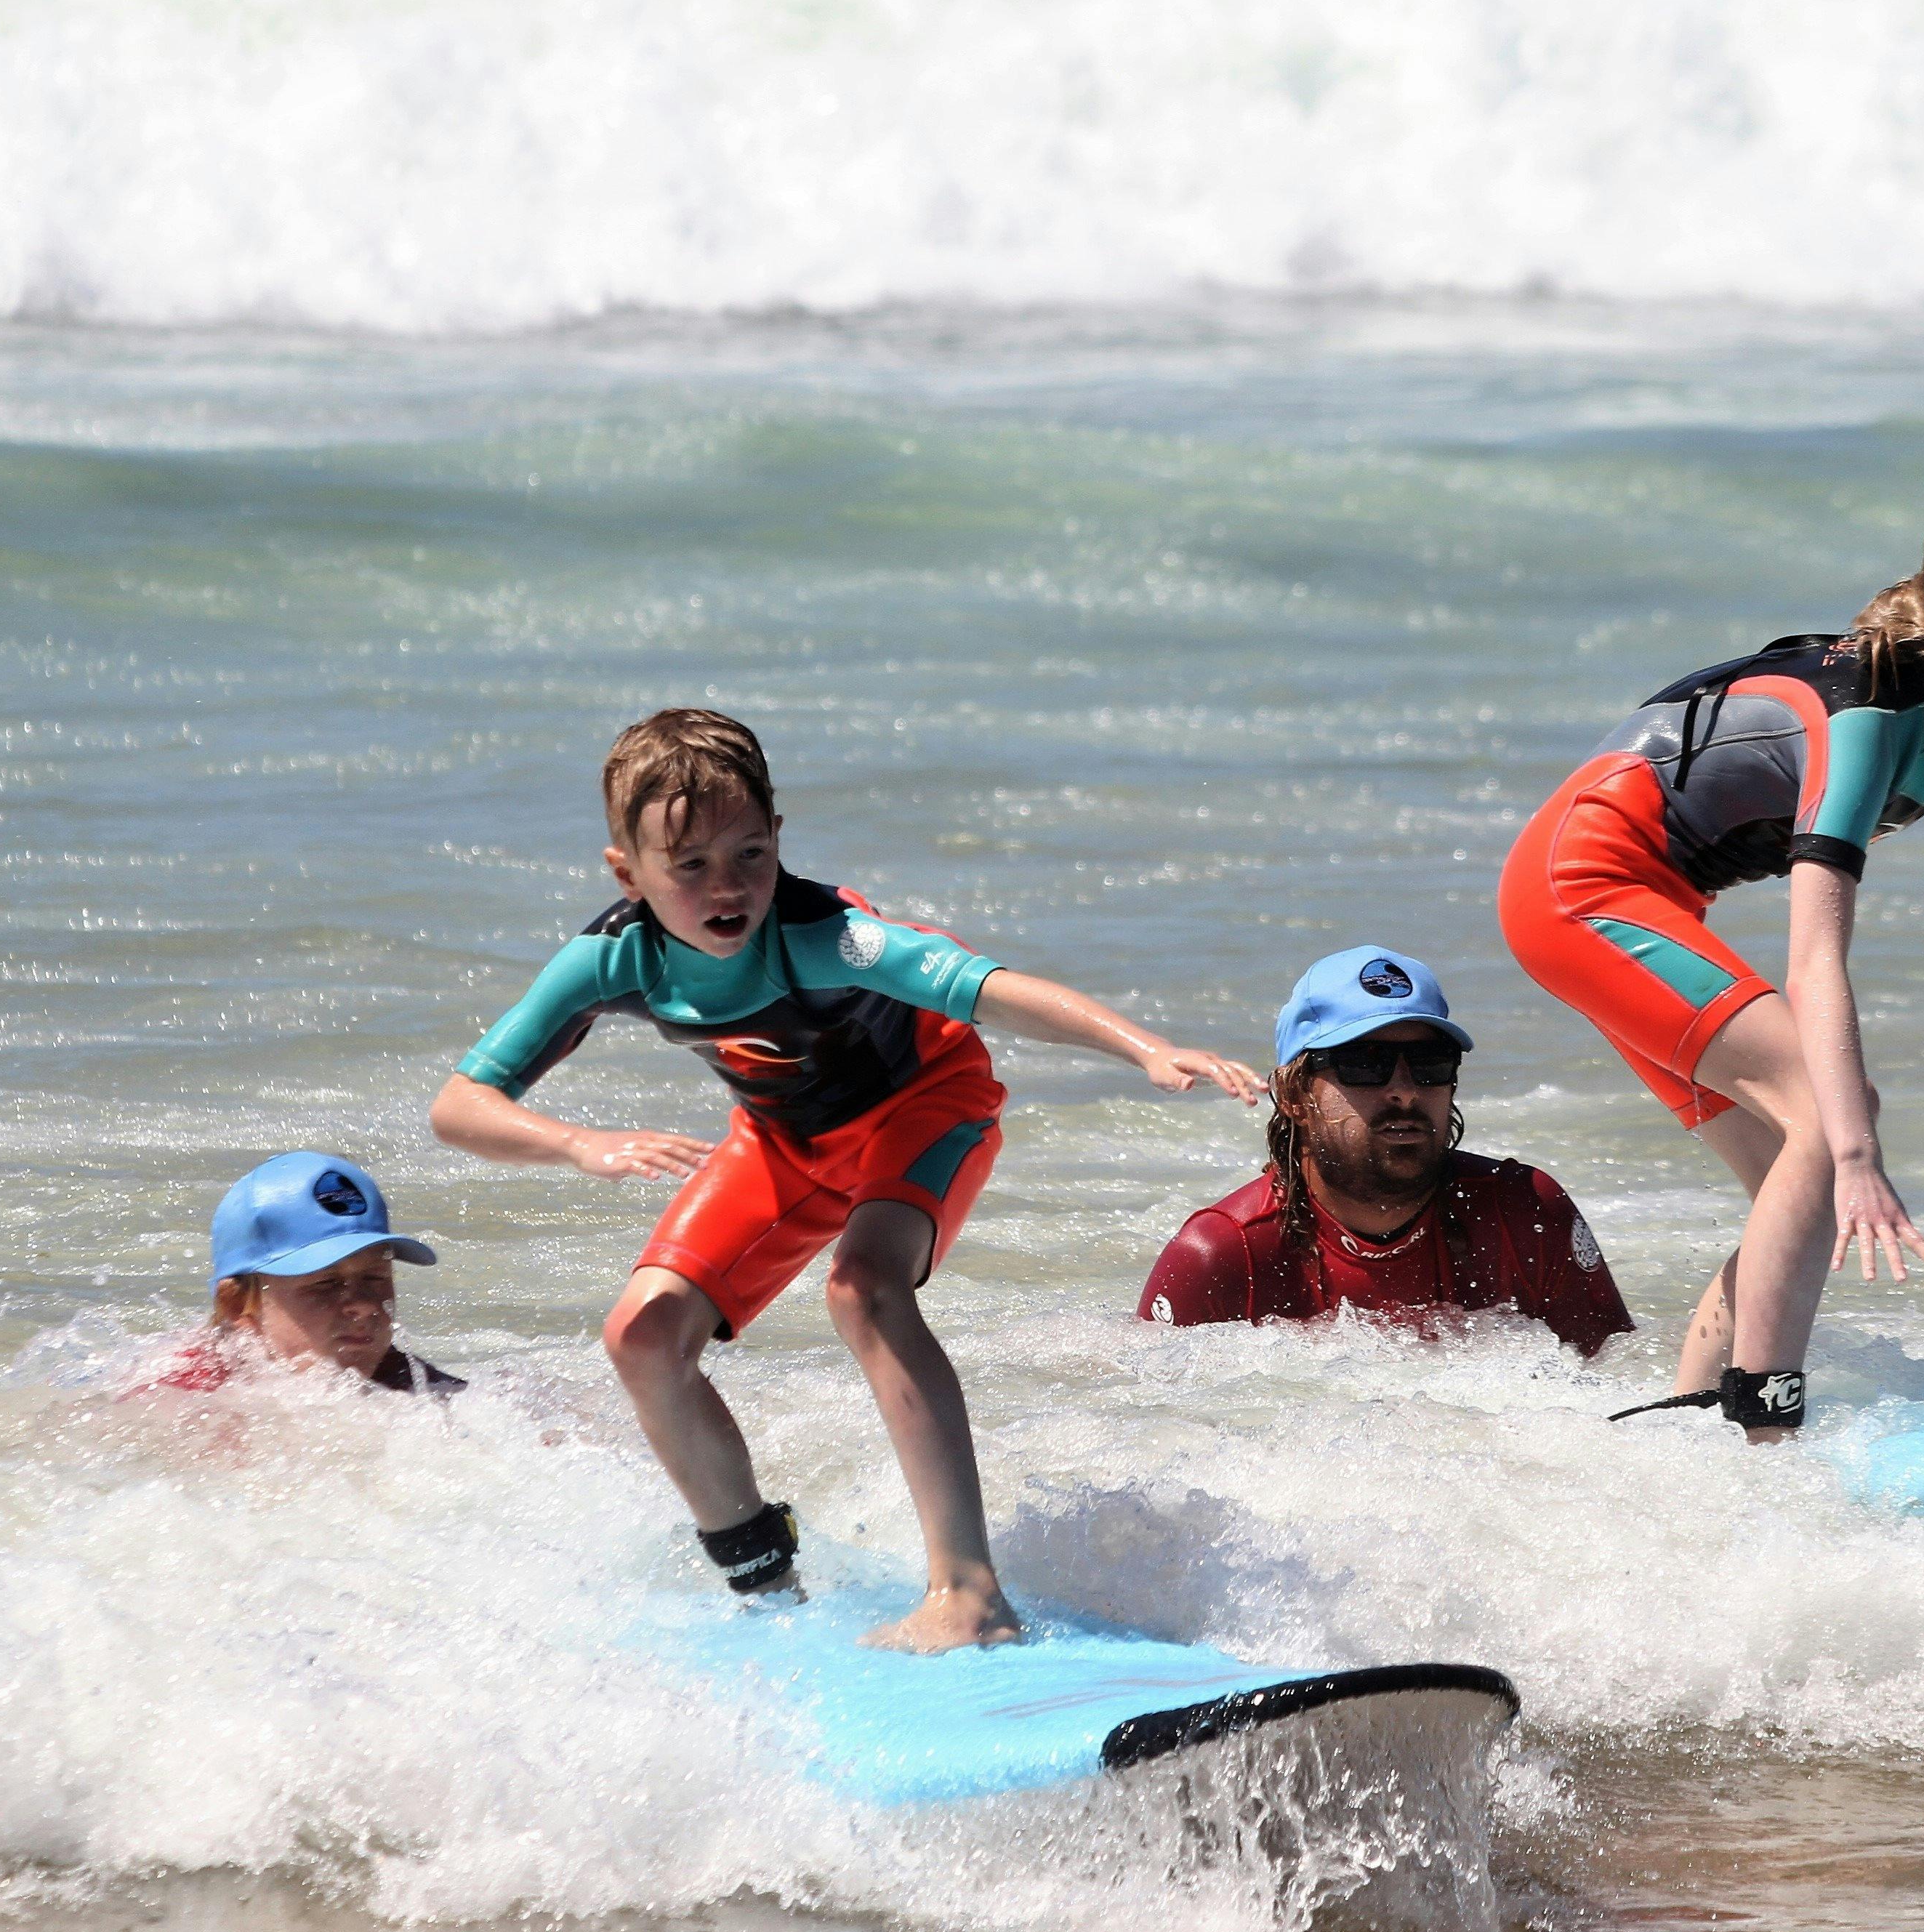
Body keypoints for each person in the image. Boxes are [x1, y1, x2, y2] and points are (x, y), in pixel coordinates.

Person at [428, 707, 1260, 1651]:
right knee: (643, 1336)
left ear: (779, 838)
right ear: (627, 872)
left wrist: (1145, 1050)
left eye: (749, 854)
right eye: (689, 866)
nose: (727, 887)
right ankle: (766, 1587)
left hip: (927, 1103)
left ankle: (969, 1593)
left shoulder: (828, 936)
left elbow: (992, 989)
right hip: (787, 1138)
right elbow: (461, 1105)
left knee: (864, 1289)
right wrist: (577, 1144)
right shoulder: (611, 960)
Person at [1495, 497, 1924, 1442]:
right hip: (1578, 887)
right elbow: (1816, 954)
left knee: (1794, 1166)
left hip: (1638, 900)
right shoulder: (1868, 716)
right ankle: (1766, 1431)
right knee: (1824, 1119)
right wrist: (1853, 1146)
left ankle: (1689, 1428)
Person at [1139, 946, 1631, 1354]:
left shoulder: (1525, 1213)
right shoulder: (1224, 1253)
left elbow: (1618, 1390)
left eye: (1429, 1062)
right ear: (1293, 1096)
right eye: (1365, 1063)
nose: (1405, 1090)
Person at [140, 1151, 465, 1396]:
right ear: (237, 1306)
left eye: (376, 1277)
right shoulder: (183, 1392)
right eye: (325, 1282)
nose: (365, 1304)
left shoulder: (402, 1377)